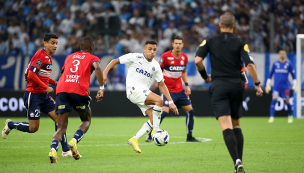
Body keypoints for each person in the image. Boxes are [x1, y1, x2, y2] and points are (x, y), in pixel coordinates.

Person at [195, 12, 263, 173]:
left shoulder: (210, 40)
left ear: (219, 25)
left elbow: (197, 60)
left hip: (219, 86)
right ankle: (239, 161)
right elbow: (250, 66)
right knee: (237, 125)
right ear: (234, 26)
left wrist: (205, 77)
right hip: (237, 85)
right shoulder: (240, 42)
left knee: (226, 126)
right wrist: (258, 84)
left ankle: (236, 161)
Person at [2, 33, 73, 157]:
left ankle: (65, 150)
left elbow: (42, 76)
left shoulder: (48, 57)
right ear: (45, 43)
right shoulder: (41, 55)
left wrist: (54, 82)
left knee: (59, 120)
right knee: (33, 128)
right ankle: (10, 124)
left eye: (56, 43)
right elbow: (31, 75)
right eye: (52, 43)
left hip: (44, 96)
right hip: (33, 95)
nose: (55, 45)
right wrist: (46, 87)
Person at [103, 40, 179, 153]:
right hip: (134, 90)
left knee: (154, 119)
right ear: (144, 49)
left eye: (154, 50)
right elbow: (115, 60)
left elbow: (162, 85)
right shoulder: (135, 57)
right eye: (149, 49)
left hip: (143, 93)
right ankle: (156, 131)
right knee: (159, 100)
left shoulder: (156, 66)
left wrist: (171, 102)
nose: (152, 52)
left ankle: (134, 139)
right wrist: (105, 73)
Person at [48, 37, 104, 163]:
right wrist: (101, 87)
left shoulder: (70, 57)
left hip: (62, 90)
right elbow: (98, 68)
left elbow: (62, 75)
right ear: (91, 47)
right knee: (86, 119)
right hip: (77, 91)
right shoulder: (92, 57)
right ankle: (73, 141)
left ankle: (53, 150)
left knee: (61, 127)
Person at [145, 36, 200, 143]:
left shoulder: (184, 57)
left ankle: (189, 137)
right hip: (167, 90)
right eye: (176, 43)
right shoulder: (165, 56)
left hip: (180, 90)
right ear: (172, 44)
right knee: (164, 112)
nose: (178, 45)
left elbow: (183, 72)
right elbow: (158, 70)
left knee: (190, 111)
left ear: (182, 45)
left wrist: (187, 85)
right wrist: (158, 83)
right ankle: (150, 133)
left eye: (180, 43)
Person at [265, 50, 298, 123]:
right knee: (273, 101)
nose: (282, 55)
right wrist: (268, 84)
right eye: (281, 54)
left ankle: (290, 117)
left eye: (283, 54)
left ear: (285, 55)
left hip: (285, 87)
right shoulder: (275, 64)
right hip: (276, 86)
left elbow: (293, 75)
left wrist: (295, 85)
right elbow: (270, 75)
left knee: (287, 102)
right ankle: (271, 117)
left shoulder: (289, 64)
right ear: (279, 55)